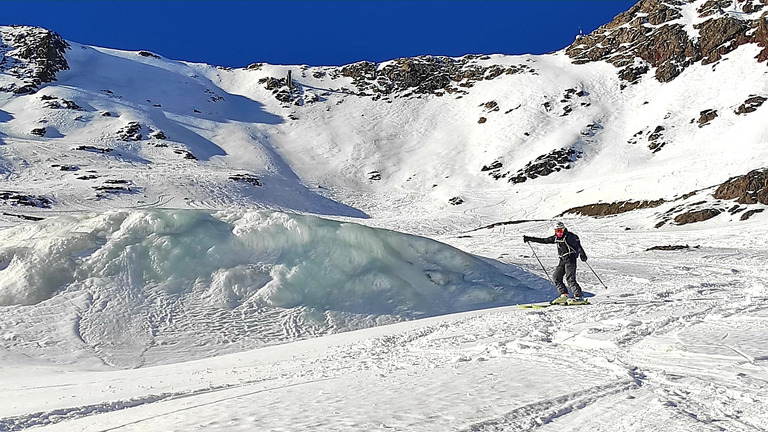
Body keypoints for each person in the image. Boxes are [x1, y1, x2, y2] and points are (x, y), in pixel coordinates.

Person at [523, 222, 589, 305]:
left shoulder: (570, 237)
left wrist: (582, 254)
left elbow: (578, 246)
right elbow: (544, 240)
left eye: (560, 230)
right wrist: (529, 238)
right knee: (556, 278)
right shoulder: (556, 238)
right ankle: (564, 295)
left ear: (564, 229)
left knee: (570, 279)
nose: (559, 232)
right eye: (557, 231)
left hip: (570, 260)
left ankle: (579, 297)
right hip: (562, 260)